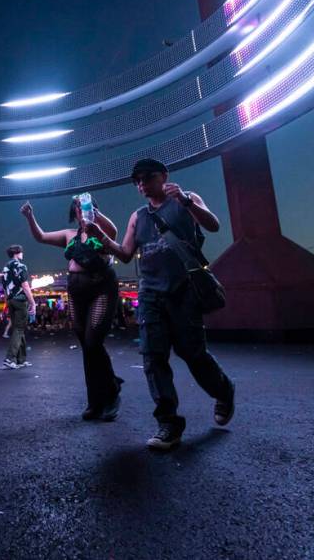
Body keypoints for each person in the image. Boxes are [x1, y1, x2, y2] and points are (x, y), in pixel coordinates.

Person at [89, 159, 234, 450]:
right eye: (137, 181)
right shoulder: (137, 216)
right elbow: (126, 253)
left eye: (146, 178)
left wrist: (186, 202)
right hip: (150, 294)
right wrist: (101, 237)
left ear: (164, 176)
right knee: (153, 358)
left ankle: (223, 390)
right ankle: (168, 423)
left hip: (184, 291)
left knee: (193, 353)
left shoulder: (186, 200)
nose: (141, 184)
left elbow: (214, 225)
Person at [21, 197, 124, 421]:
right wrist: (30, 217)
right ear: (73, 212)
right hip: (76, 291)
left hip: (101, 287)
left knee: (93, 340)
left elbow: (114, 230)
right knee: (86, 345)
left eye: (84, 207)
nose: (81, 211)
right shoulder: (70, 234)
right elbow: (41, 236)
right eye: (77, 208)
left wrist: (94, 213)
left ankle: (111, 393)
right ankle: (95, 402)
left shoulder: (101, 230)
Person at [1, 245, 36, 369]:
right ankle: (10, 358)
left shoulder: (5, 267)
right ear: (17, 253)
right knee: (19, 329)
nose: (22, 254)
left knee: (17, 329)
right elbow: (25, 286)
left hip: (10, 300)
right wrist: (33, 302)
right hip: (20, 300)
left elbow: (5, 287)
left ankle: (21, 359)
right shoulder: (20, 266)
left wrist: (7, 302)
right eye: (21, 251)